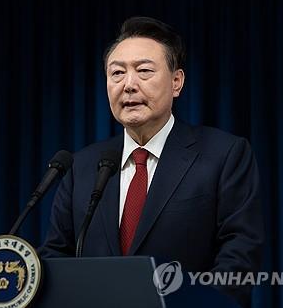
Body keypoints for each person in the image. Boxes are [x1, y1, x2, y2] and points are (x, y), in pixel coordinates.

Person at [39, 16, 263, 307]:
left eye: (144, 71)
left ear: (176, 82)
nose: (129, 85)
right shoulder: (81, 167)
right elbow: (56, 258)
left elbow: (239, 258)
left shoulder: (224, 155)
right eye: (117, 73)